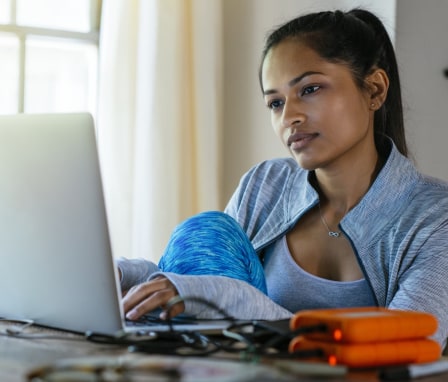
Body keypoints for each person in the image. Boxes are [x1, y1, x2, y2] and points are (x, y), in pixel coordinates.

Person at [117, 8, 448, 349]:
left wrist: (230, 298)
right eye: (275, 103)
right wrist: (122, 276)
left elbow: (401, 349)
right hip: (234, 370)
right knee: (204, 231)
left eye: (310, 89)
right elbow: (197, 284)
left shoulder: (437, 219)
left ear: (375, 90)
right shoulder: (265, 183)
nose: (289, 117)